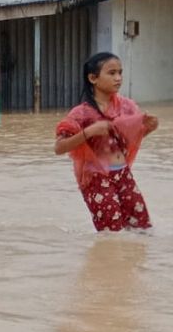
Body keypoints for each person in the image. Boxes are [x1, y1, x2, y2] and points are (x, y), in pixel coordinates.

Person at [55, 52, 160, 232]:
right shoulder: (81, 114)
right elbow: (59, 147)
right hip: (95, 179)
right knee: (112, 231)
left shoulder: (127, 107)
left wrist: (148, 128)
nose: (118, 78)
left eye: (120, 72)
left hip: (123, 174)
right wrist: (89, 132)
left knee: (142, 227)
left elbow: (126, 141)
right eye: (111, 73)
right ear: (93, 78)